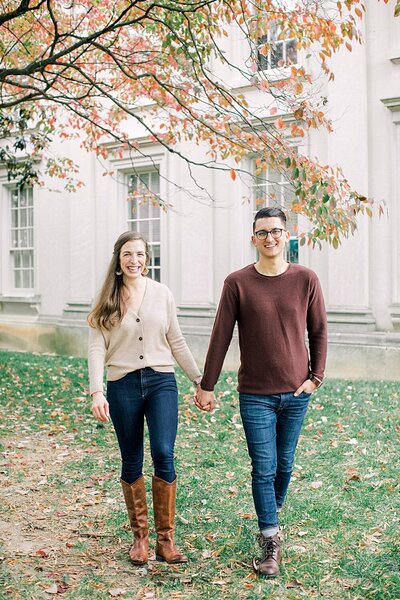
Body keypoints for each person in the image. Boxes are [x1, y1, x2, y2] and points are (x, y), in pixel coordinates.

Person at [195, 207, 327, 577]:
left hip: (297, 393)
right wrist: (207, 385)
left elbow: (318, 331)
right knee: (264, 467)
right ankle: (270, 538)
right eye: (263, 232)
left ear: (287, 236)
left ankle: (271, 511)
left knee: (283, 464)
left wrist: (315, 377)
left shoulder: (306, 279)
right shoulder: (238, 283)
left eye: (277, 231)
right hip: (255, 394)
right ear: (253, 238)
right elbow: (221, 336)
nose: (270, 237)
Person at [88, 231, 202, 566]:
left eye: (140, 254)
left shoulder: (162, 294)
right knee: (132, 458)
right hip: (122, 384)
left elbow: (176, 340)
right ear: (118, 260)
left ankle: (166, 541)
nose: (134, 260)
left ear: (147, 259)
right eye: (127, 254)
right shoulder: (107, 298)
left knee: (164, 452)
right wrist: (97, 391)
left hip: (161, 381)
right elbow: (96, 348)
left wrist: (199, 379)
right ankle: (140, 538)